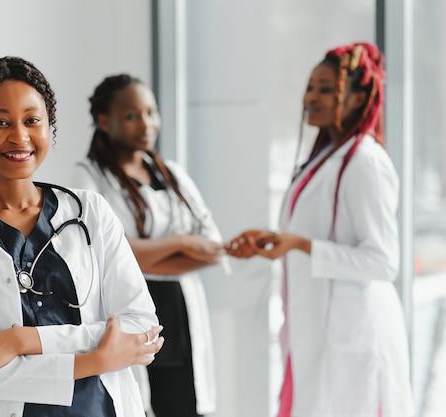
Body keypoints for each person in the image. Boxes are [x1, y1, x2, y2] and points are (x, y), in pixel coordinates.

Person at [0, 56, 165, 417]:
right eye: (0, 122)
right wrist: (95, 359)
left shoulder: (90, 211)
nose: (20, 137)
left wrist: (19, 341)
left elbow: (142, 328)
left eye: (32, 121)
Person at [225, 42, 415, 417]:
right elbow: (315, 235)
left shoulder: (365, 163)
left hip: (353, 337)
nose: (311, 97)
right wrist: (279, 241)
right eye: (311, 87)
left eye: (326, 89)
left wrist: (299, 244)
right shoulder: (325, 159)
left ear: (361, 98)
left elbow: (382, 262)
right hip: (318, 332)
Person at [71, 74, 227, 417]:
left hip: (180, 312)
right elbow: (109, 254)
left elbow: (215, 247)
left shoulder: (170, 173)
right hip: (130, 309)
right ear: (103, 120)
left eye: (151, 112)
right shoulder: (88, 177)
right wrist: (185, 242)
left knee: (185, 405)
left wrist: (142, 253)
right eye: (132, 115)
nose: (146, 124)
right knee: (135, 404)